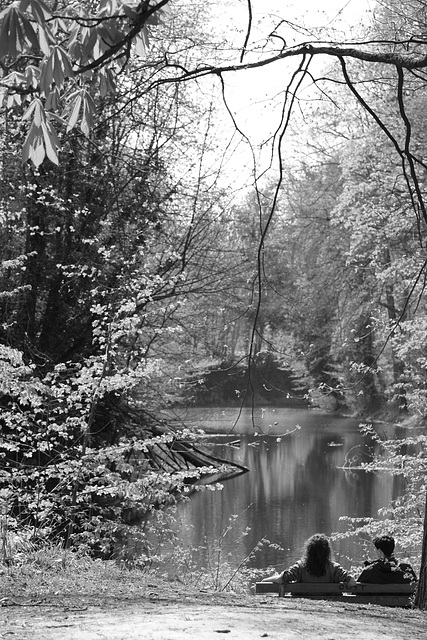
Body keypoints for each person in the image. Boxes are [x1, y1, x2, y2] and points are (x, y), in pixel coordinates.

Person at [261, 533, 356, 585]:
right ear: (327, 551)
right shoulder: (334, 569)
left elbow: (281, 579)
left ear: (309, 551)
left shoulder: (300, 567)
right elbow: (352, 582)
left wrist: (265, 580)